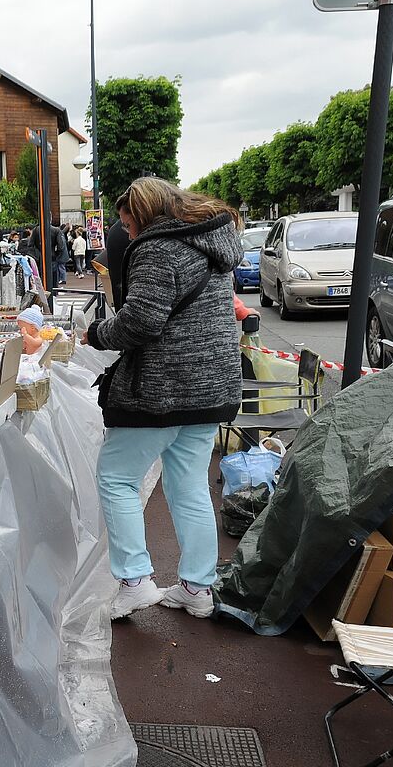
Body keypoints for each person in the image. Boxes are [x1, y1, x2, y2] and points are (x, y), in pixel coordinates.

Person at [83, 176, 243, 620]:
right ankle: (197, 587)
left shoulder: (158, 248)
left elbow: (141, 321)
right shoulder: (211, 243)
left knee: (116, 477)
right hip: (211, 387)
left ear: (145, 214)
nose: (127, 232)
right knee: (189, 486)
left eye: (128, 224)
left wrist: (95, 333)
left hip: (164, 388)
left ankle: (135, 581)